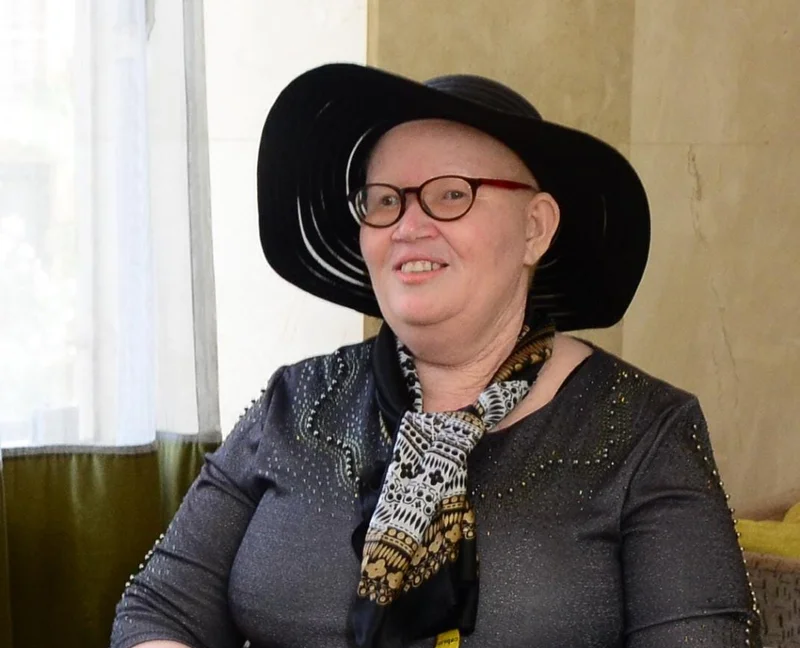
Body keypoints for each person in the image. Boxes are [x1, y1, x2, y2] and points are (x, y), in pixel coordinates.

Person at [110, 64, 761, 648]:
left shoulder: (646, 432)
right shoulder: (296, 401)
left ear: (535, 227)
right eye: (385, 199)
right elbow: (159, 606)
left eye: (452, 194)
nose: (407, 225)